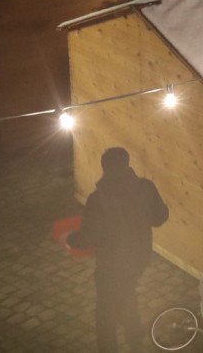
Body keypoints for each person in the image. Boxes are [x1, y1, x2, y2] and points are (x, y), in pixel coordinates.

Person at [68, 147, 170, 353]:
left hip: (111, 264)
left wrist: (71, 238)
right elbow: (161, 217)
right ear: (127, 163)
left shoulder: (98, 200)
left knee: (105, 311)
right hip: (140, 256)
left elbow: (89, 238)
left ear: (104, 167)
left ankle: (112, 347)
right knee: (126, 291)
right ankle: (135, 337)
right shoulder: (146, 187)